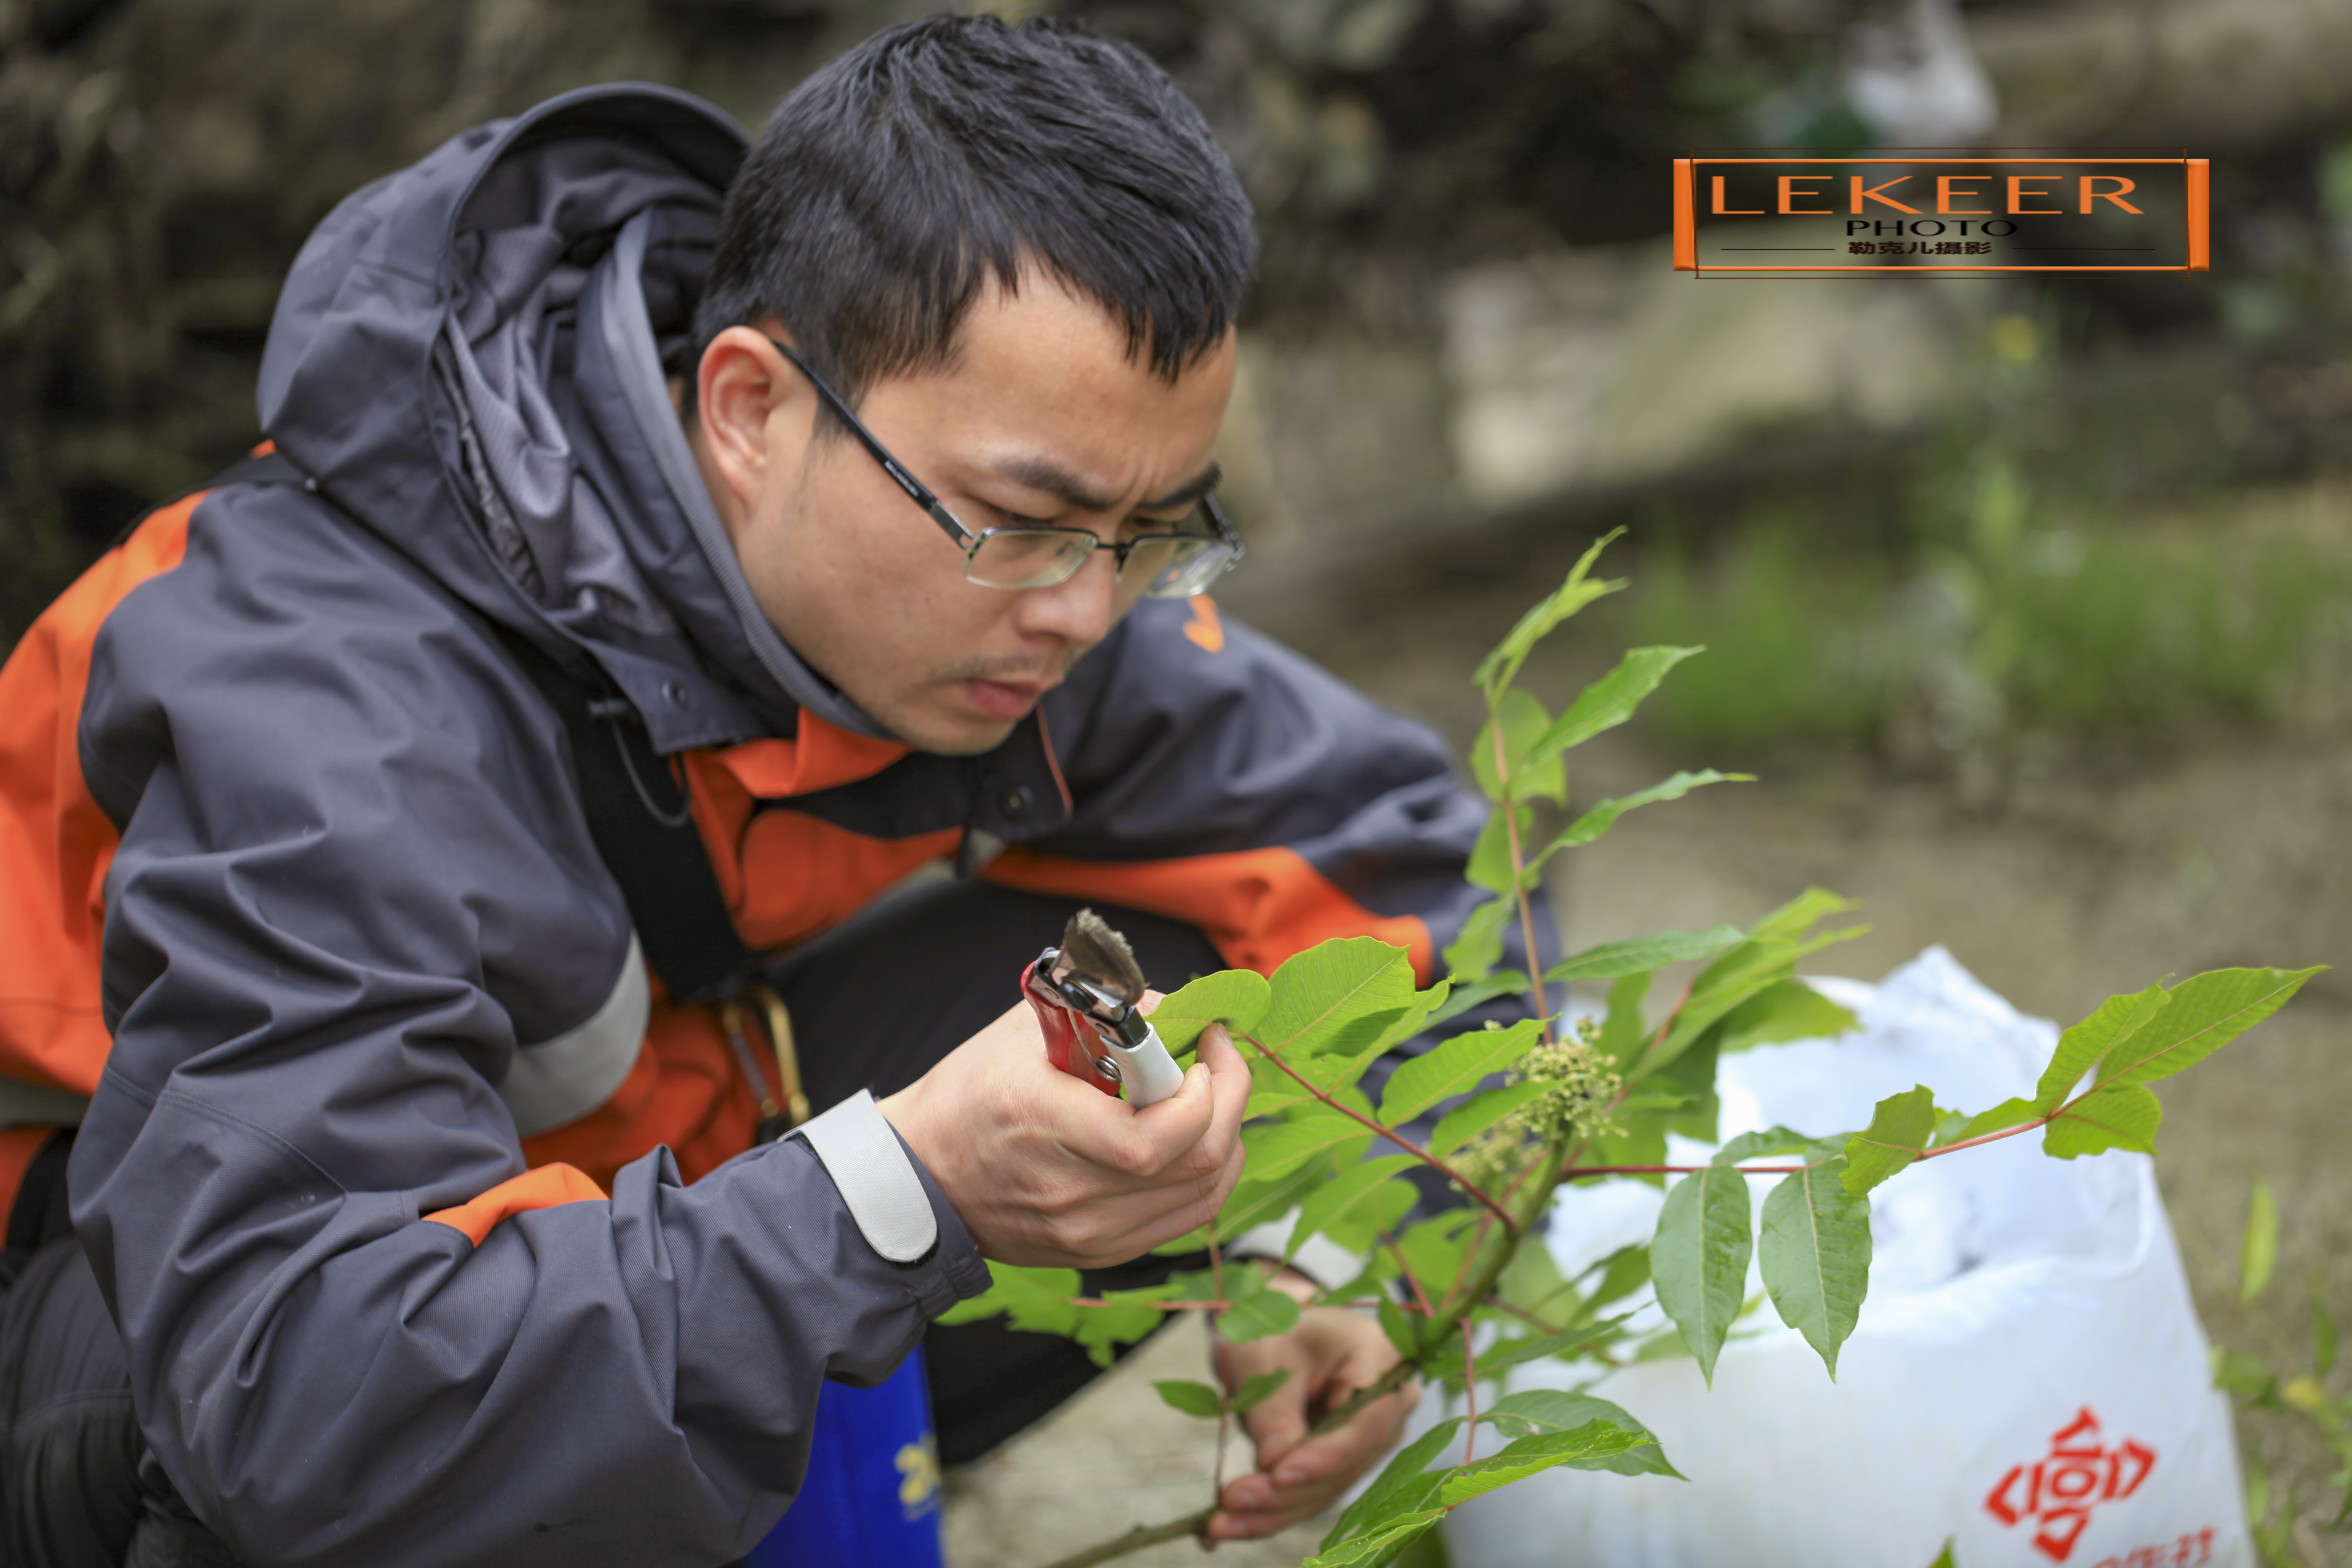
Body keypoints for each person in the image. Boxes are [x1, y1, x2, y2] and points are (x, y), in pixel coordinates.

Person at [0, 15, 1529, 1567]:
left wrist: (1341, 1238)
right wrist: (905, 1183)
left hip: (605, 1174)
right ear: (747, 408)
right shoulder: (327, 691)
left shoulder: (1028, 605)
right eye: (1028, 519)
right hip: (123, 1323)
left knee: (1186, 1027)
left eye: (1155, 527)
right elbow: (292, 1398)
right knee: (228, 1462)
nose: (1084, 609)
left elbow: (1425, 872)